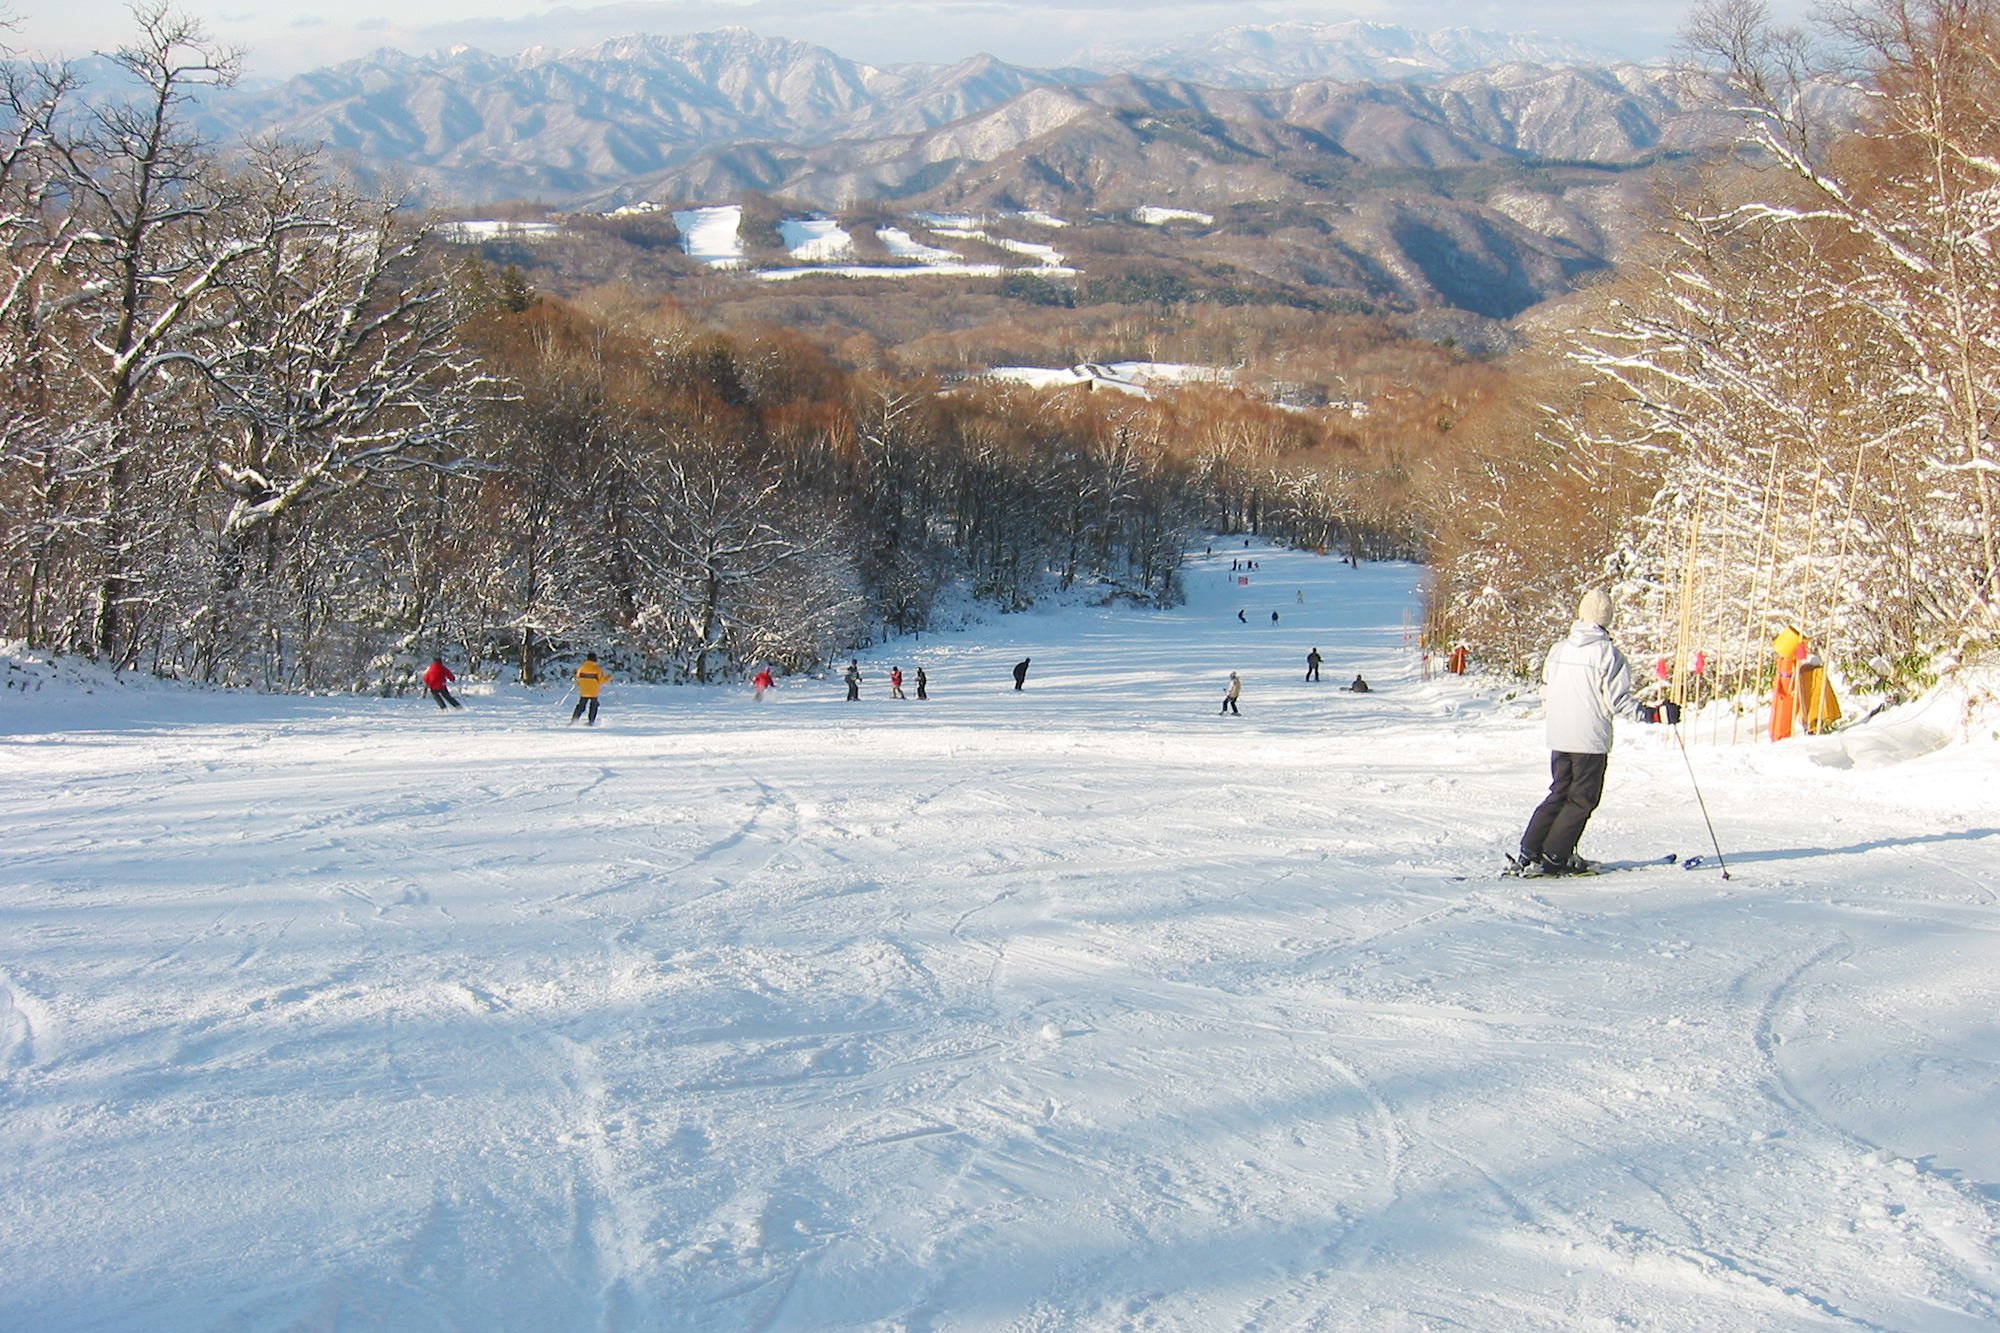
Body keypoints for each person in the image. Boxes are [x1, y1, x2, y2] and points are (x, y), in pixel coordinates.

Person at [1513, 589, 1674, 876]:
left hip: (1560, 735)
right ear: (1607, 619)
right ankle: (1555, 855)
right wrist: (1653, 714)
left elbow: (1546, 689)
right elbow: (1617, 701)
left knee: (1560, 791)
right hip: (1589, 739)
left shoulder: (1559, 649)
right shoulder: (1607, 655)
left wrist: (1557, 718)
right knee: (1582, 798)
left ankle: (1531, 848)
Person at [571, 652, 611, 726]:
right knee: (594, 705)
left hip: (583, 691)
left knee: (581, 705)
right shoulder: (597, 669)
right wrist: (609, 678)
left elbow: (578, 679)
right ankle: (591, 721)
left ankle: (574, 720)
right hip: (594, 691)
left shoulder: (582, 668)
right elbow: (601, 681)